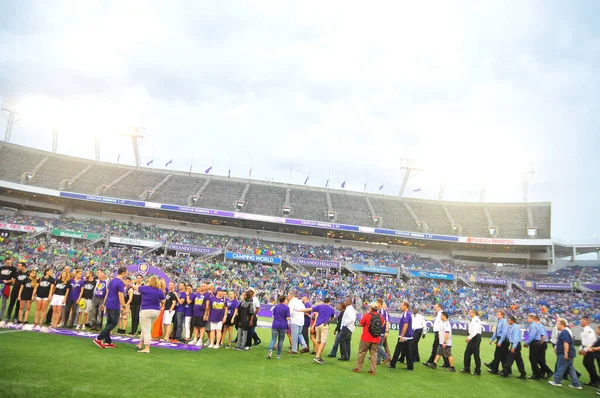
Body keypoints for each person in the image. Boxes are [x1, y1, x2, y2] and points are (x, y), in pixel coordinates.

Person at [94, 267, 128, 349]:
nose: (127, 274)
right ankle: (99, 338)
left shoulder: (112, 281)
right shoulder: (120, 283)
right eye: (126, 273)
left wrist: (104, 303)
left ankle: (108, 341)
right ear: (123, 273)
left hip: (109, 303)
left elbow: (107, 293)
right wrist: (124, 306)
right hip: (114, 305)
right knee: (114, 323)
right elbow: (120, 296)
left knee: (109, 323)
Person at [297, 298, 335, 365]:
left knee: (318, 341)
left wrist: (299, 310)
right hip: (324, 325)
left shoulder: (319, 306)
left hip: (317, 325)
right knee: (323, 342)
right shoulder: (331, 309)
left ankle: (318, 356)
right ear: (329, 302)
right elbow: (332, 318)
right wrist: (329, 320)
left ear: (324, 301)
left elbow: (309, 309)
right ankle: (317, 356)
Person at [134, 275, 165, 354]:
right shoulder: (159, 291)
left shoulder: (145, 288)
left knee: (146, 329)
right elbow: (163, 301)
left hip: (146, 310)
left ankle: (147, 347)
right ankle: (140, 344)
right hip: (156, 311)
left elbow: (136, 287)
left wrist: (130, 284)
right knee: (146, 328)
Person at [548, 318, 582, 389]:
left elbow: (566, 343)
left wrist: (565, 353)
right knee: (570, 369)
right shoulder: (565, 332)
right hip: (570, 353)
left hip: (565, 353)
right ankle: (577, 384)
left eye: (558, 324)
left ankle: (557, 381)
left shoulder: (564, 332)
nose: (557, 326)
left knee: (561, 366)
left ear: (561, 324)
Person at [352, 302, 384, 375]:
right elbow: (382, 324)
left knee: (362, 352)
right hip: (376, 338)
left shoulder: (367, 315)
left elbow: (360, 324)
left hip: (366, 338)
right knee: (373, 354)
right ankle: (373, 370)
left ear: (370, 308)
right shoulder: (381, 317)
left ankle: (358, 368)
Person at [389, 301, 414, 370]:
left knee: (398, 350)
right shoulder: (408, 314)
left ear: (405, 306)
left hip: (404, 336)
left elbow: (405, 325)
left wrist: (402, 335)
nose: (400, 306)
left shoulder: (406, 314)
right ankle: (410, 366)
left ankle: (392, 364)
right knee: (408, 351)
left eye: (402, 305)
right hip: (408, 336)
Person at [424, 303, 450, 368]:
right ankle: (447, 363)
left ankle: (431, 361)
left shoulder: (441, 314)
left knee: (435, 347)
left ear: (440, 307)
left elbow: (442, 324)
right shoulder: (439, 314)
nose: (435, 308)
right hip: (438, 332)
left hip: (439, 333)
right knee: (441, 348)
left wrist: (439, 333)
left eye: (436, 307)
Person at [485, 310, 509, 375]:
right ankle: (496, 369)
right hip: (500, 339)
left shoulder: (504, 322)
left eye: (498, 314)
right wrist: (492, 339)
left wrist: (500, 341)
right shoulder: (499, 322)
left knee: (501, 356)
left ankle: (499, 370)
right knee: (498, 355)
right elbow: (496, 332)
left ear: (502, 315)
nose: (497, 315)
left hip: (503, 340)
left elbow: (504, 333)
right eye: (497, 314)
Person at [267, 294, 290, 359]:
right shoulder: (287, 308)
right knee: (280, 340)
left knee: (273, 339)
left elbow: (273, 316)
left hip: (275, 324)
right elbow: (288, 317)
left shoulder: (276, 307)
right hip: (283, 325)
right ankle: (278, 354)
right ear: (284, 300)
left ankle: (270, 350)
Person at [579, 316, 599, 387]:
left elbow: (590, 342)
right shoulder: (583, 330)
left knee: (589, 364)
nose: (580, 322)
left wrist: (585, 350)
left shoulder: (589, 330)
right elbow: (582, 341)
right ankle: (594, 380)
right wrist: (581, 349)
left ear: (586, 322)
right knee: (588, 364)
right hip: (586, 348)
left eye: (582, 321)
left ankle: (596, 379)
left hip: (590, 349)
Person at [462, 309, 482, 375]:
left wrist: (469, 337)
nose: (469, 313)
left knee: (476, 354)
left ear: (474, 313)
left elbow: (475, 331)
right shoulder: (473, 319)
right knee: (467, 353)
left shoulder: (476, 320)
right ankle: (467, 368)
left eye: (470, 312)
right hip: (473, 337)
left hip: (475, 337)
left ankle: (477, 370)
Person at [523, 313, 543, 380]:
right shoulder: (535, 325)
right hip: (536, 342)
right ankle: (537, 374)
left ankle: (537, 374)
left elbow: (532, 336)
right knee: (533, 359)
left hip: (534, 343)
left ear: (532, 318)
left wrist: (527, 343)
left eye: (528, 318)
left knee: (532, 359)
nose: (527, 319)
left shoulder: (533, 326)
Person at [377, 299, 391, 365]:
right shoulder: (379, 311)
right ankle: (378, 361)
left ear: (380, 303)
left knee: (377, 345)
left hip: (381, 331)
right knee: (380, 345)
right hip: (381, 331)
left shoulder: (382, 311)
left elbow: (386, 322)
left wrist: (386, 331)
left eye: (377, 303)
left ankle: (386, 357)